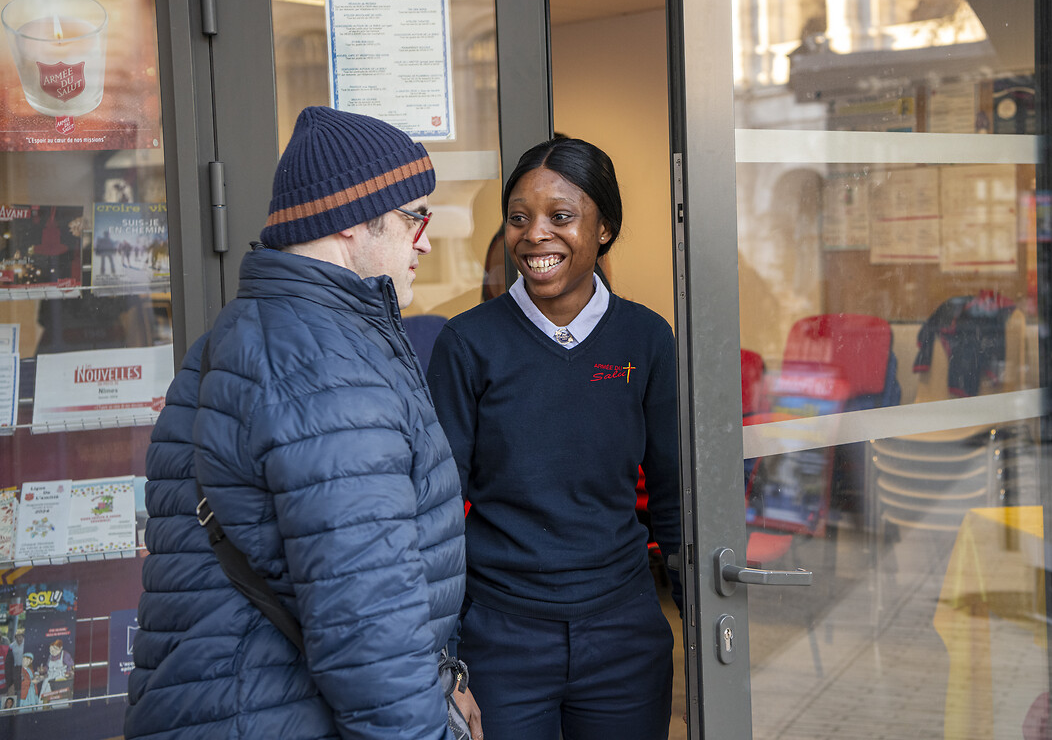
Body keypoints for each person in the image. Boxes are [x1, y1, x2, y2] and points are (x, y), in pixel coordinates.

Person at [125, 106, 478, 740]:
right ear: (350, 221)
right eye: (412, 217)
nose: (426, 239)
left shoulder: (246, 335)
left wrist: (443, 679)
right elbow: (369, 624)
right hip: (271, 713)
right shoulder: (325, 366)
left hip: (226, 701)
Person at [427, 137, 682, 740]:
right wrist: (442, 656)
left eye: (560, 217)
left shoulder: (646, 340)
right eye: (519, 218)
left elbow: (673, 493)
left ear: (604, 228)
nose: (535, 234)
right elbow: (434, 512)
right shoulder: (467, 344)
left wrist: (697, 610)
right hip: (501, 637)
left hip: (623, 631)